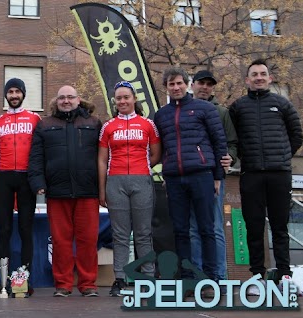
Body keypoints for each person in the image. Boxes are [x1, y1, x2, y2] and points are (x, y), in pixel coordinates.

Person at [229, 59, 303, 295]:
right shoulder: (238, 107)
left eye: (263, 74)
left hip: (279, 175)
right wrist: (245, 158)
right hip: (250, 175)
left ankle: (284, 276)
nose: (259, 77)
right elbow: (232, 139)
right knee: (254, 226)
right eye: (254, 74)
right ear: (247, 80)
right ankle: (257, 276)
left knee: (280, 227)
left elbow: (296, 136)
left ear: (270, 78)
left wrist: (281, 157)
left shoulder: (283, 104)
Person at [153, 67, 227, 283]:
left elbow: (219, 143)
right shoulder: (161, 114)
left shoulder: (204, 109)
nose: (176, 87)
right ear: (166, 87)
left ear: (187, 85)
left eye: (179, 83)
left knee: (207, 229)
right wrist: (166, 174)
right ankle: (188, 278)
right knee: (181, 230)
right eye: (171, 84)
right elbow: (162, 147)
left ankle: (211, 278)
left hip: (201, 175)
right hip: (174, 179)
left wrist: (217, 177)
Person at [28, 85, 102, 297]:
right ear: (56, 101)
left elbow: (104, 156)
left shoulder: (94, 123)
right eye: (62, 98)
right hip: (57, 192)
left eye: (70, 97)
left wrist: (103, 186)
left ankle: (88, 284)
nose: (66, 101)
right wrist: (37, 182)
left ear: (78, 100)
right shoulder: (45, 125)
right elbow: (36, 158)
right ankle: (63, 284)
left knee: (88, 240)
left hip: (88, 191)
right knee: (60, 241)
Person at [98, 81, 161, 297]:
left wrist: (140, 168)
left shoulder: (147, 124)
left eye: (126, 97)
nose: (123, 101)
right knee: (120, 234)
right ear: (114, 102)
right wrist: (102, 189)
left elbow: (155, 154)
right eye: (119, 98)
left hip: (141, 180)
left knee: (144, 233)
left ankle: (149, 279)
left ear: (134, 99)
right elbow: (101, 160)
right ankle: (119, 279)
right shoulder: (108, 126)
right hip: (115, 182)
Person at [0, 78, 40, 292]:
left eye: (17, 91)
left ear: (23, 94)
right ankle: (3, 281)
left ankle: (24, 281)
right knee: (4, 229)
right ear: (6, 95)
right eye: (10, 91)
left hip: (26, 178)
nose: (13, 95)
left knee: (25, 229)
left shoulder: (35, 119)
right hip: (3, 178)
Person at [188, 70, 237, 284]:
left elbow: (232, 144)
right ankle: (198, 277)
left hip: (214, 177)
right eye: (201, 83)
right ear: (193, 85)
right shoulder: (182, 109)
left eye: (209, 84)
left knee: (216, 227)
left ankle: (219, 277)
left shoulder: (222, 112)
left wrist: (231, 158)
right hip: (188, 177)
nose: (205, 87)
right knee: (193, 229)